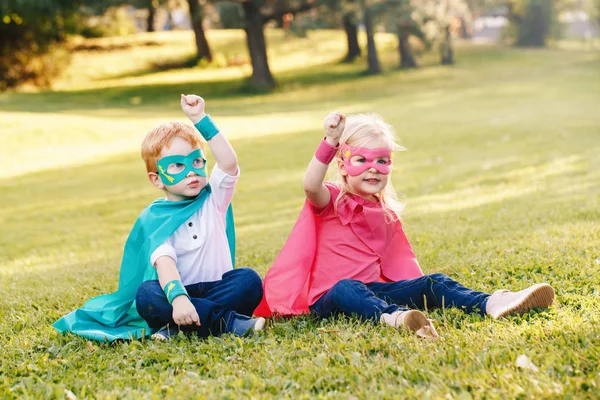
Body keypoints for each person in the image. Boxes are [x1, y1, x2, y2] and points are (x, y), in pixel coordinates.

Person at [255, 111, 554, 338]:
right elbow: (310, 185)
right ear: (343, 166)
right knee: (348, 287)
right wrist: (330, 142)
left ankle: (491, 303)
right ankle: (394, 318)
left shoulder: (382, 210)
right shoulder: (332, 198)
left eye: (382, 160)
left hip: (375, 290)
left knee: (432, 282)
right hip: (333, 297)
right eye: (361, 159)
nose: (373, 167)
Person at [53, 94, 265, 341]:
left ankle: (176, 327)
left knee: (248, 280)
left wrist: (200, 119)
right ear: (157, 179)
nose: (191, 172)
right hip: (174, 294)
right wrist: (179, 299)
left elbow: (228, 163)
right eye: (176, 165)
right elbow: (165, 264)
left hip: (218, 288)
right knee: (147, 295)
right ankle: (226, 322)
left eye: (197, 161)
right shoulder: (154, 219)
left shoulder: (214, 199)